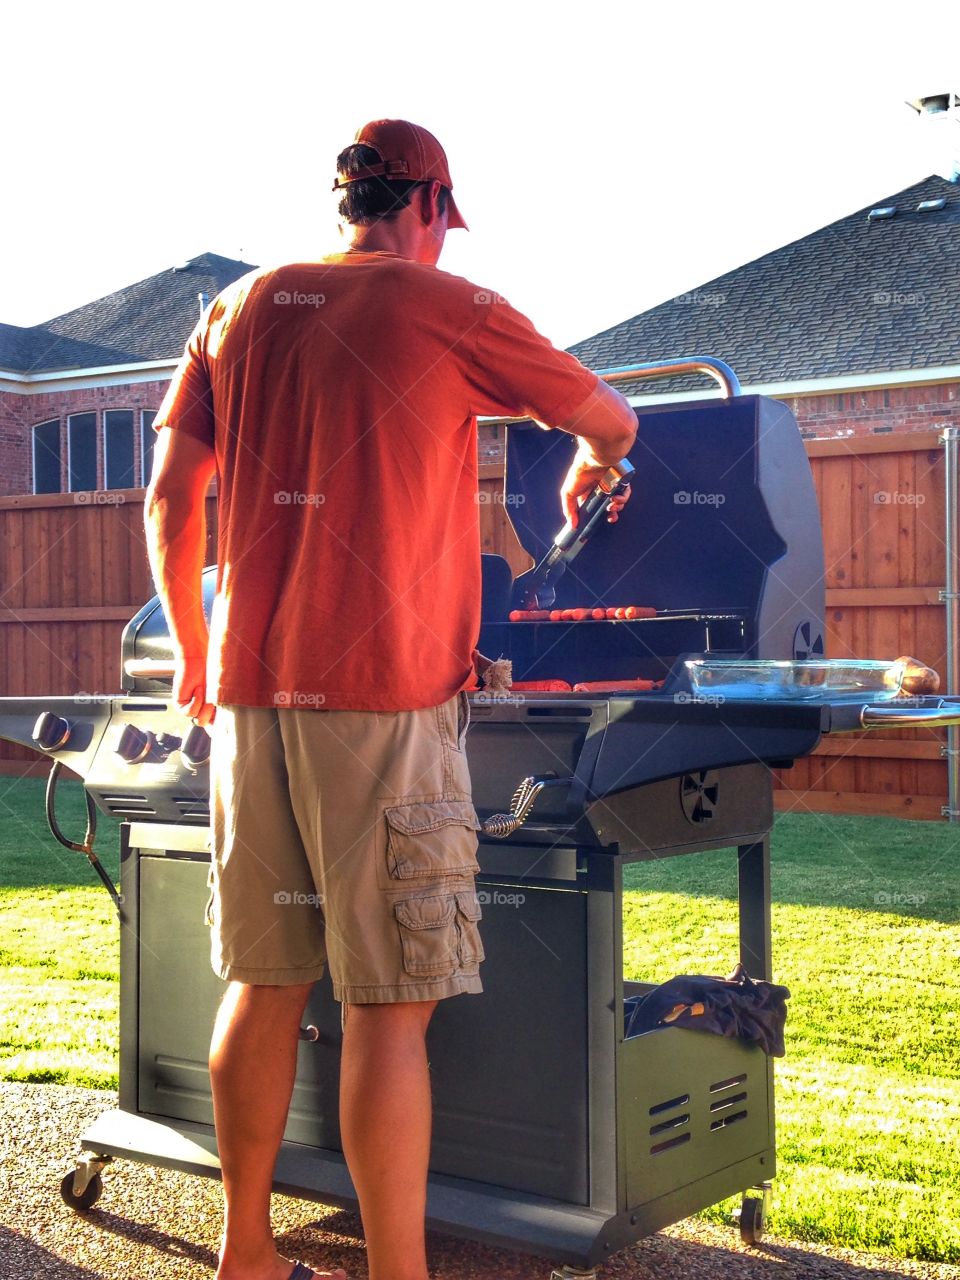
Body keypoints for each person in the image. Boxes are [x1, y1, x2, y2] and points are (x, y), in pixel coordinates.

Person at [144, 118, 637, 1280]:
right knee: (390, 1001)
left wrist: (191, 647)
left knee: (262, 982)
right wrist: (595, 460)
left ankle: (247, 1250)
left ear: (344, 202)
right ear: (433, 208)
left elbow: (171, 492)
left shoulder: (240, 306)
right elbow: (612, 419)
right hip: (384, 707)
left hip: (253, 700)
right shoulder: (451, 307)